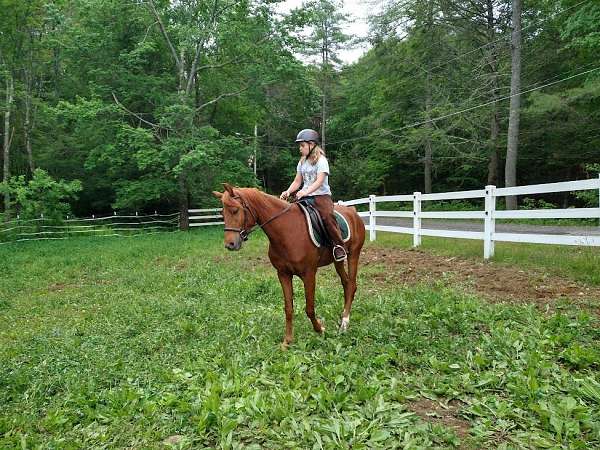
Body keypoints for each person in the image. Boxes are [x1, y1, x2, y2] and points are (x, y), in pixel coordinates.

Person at [280, 129, 347, 261]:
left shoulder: (322, 161)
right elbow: (297, 181)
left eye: (302, 145)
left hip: (321, 197)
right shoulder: (302, 162)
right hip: (304, 197)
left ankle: (339, 246)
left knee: (328, 218)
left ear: (311, 144)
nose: (300, 148)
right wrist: (288, 191)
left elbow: (319, 181)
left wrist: (306, 191)